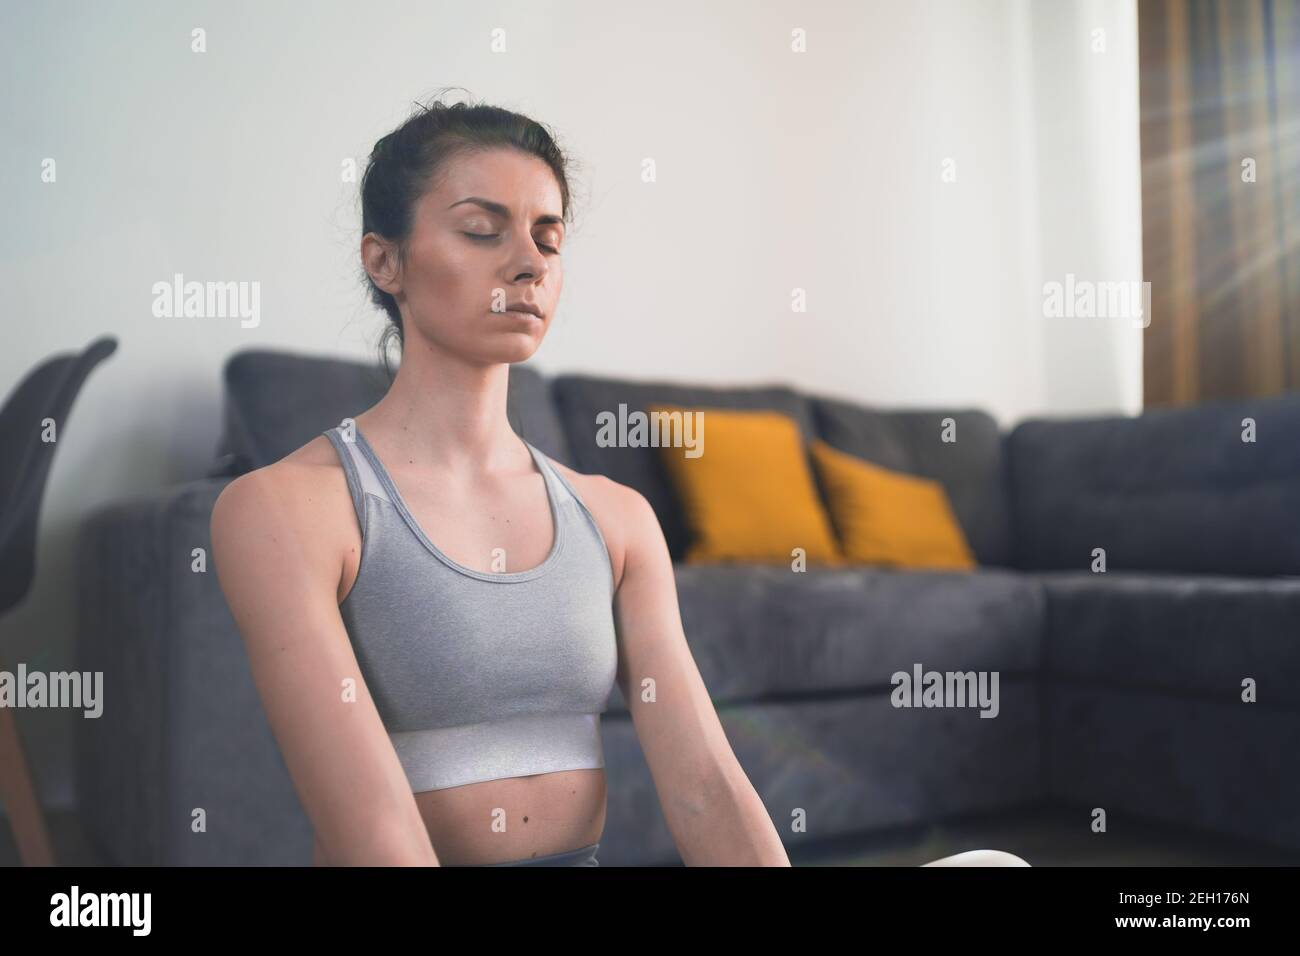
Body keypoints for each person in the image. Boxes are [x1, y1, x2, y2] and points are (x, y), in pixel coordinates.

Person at [210, 91, 789, 867]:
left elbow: (706, 786)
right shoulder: (285, 509)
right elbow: (374, 836)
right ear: (384, 260)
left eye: (548, 240)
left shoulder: (617, 520)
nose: (528, 262)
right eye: (482, 230)